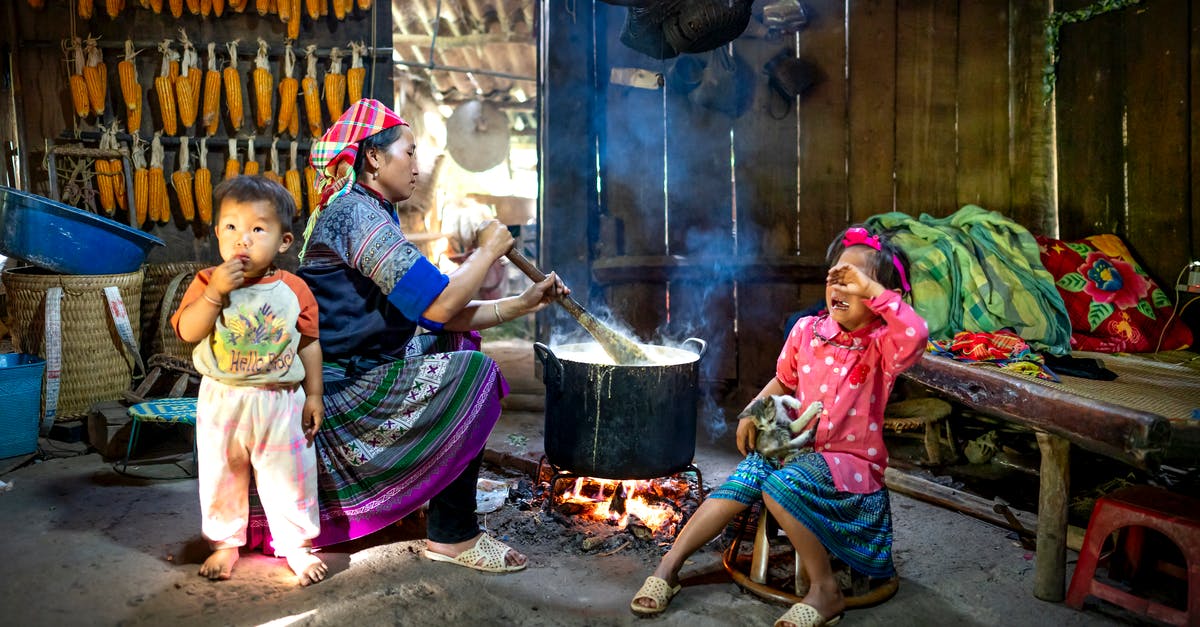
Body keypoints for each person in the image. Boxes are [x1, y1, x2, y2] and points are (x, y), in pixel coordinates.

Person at [242, 98, 566, 573]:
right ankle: (453, 536)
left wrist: (523, 302)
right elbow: (440, 306)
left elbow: (439, 317)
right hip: (336, 390)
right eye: (409, 153)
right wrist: (487, 252)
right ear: (374, 157)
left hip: (363, 365)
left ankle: (427, 488)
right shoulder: (355, 216)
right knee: (475, 375)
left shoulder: (370, 211)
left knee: (458, 345)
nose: (416, 166)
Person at [631, 225, 928, 627]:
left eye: (856, 282)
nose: (841, 288)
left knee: (780, 486)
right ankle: (669, 566)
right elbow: (783, 381)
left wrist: (872, 291)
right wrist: (753, 411)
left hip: (849, 464)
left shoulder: (882, 345)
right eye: (837, 277)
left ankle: (824, 591)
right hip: (797, 449)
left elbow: (916, 333)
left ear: (882, 297)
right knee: (743, 479)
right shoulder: (807, 332)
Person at [171, 175, 327, 586]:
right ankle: (225, 543)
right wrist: (214, 293)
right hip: (223, 399)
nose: (243, 238)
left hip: (280, 400)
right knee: (221, 475)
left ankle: (296, 545)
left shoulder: (294, 290)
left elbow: (309, 343)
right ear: (217, 233)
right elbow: (188, 331)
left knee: (290, 474)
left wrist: (314, 394)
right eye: (231, 226)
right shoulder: (207, 282)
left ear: (284, 242)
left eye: (258, 229)